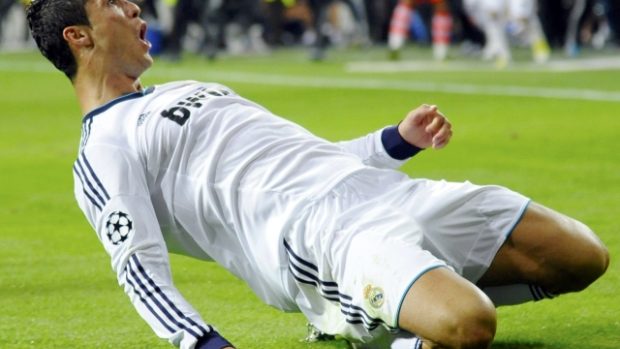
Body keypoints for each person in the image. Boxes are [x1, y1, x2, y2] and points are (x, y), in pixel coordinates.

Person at [26, 1, 610, 349]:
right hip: (319, 239)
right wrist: (200, 340)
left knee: (583, 256)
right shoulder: (103, 148)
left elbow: (310, 157)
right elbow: (138, 265)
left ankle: (396, 304)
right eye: (115, 5)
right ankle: (379, 308)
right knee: (469, 325)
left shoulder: (185, 88)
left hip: (388, 192)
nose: (136, 9)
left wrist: (394, 142)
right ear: (78, 36)